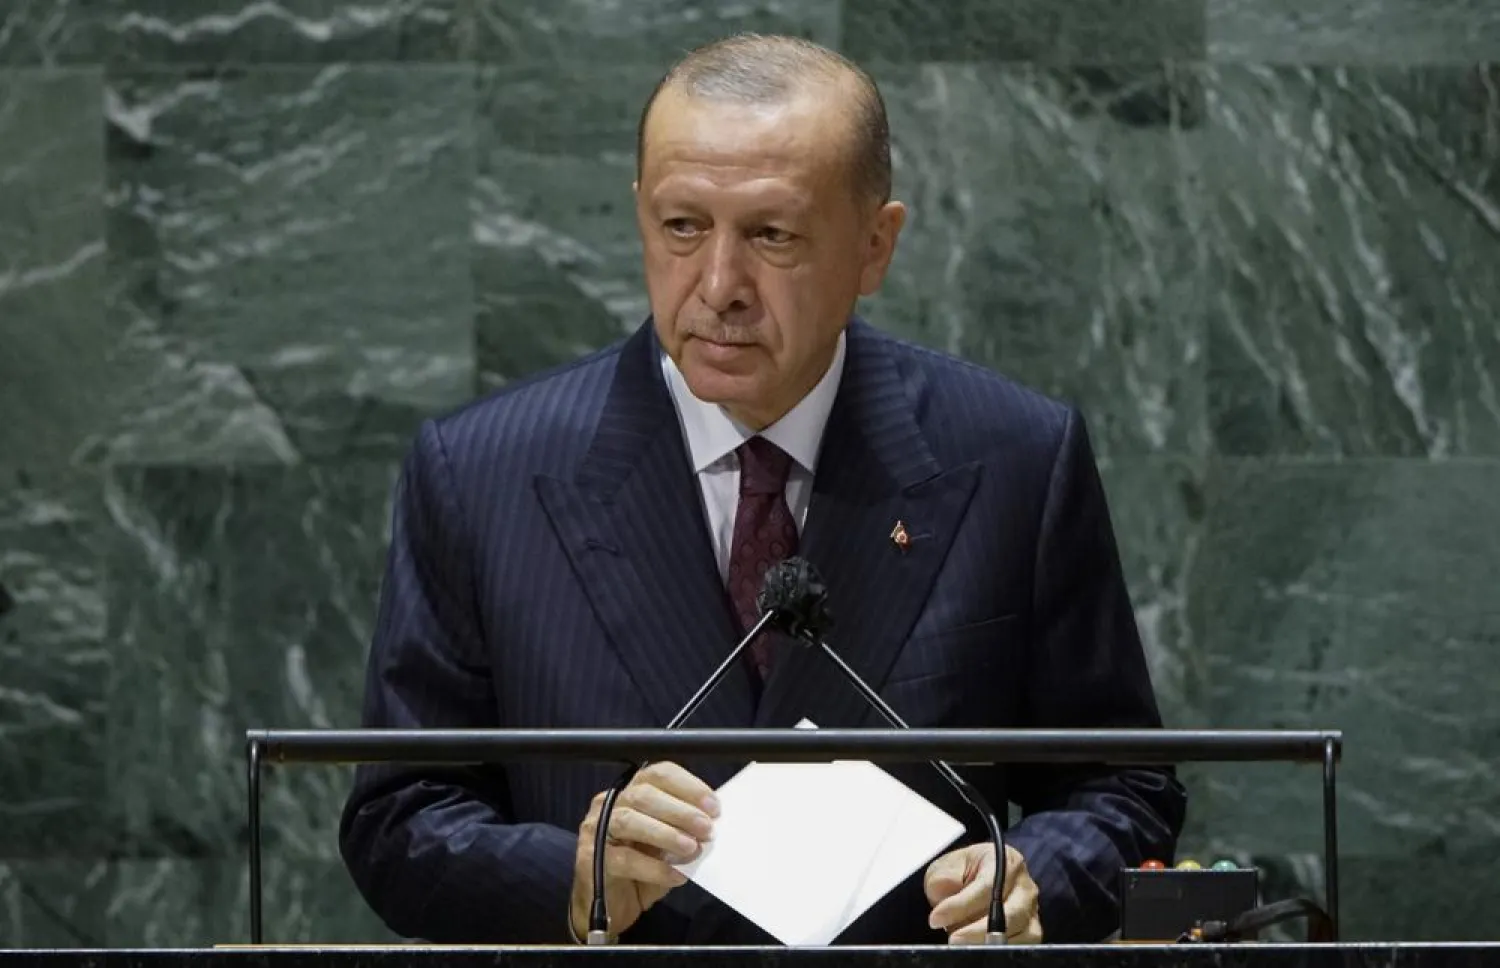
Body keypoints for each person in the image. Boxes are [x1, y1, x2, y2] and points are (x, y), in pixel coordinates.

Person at [339, 33, 1186, 946]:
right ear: (637, 216)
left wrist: (1033, 880)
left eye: (772, 235)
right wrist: (570, 879)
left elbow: (1121, 786)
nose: (718, 285)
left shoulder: (1015, 457)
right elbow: (401, 819)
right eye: (681, 227)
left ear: (875, 245)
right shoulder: (481, 474)